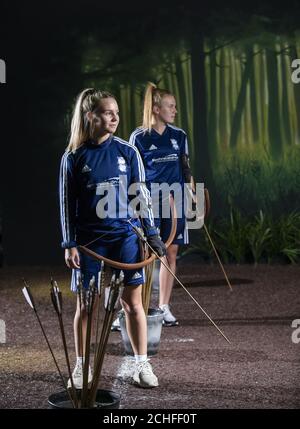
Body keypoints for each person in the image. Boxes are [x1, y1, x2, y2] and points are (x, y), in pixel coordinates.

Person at [59, 88, 166, 389]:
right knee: (87, 305)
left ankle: (141, 363)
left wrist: (153, 234)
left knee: (133, 305)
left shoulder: (127, 152)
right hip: (90, 242)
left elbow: (141, 196)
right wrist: (69, 244)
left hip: (125, 238)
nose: (115, 117)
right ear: (90, 116)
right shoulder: (73, 157)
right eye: (108, 112)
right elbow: (66, 203)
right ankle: (81, 368)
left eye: (116, 112)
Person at [129, 82, 194, 326]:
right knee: (144, 253)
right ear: (156, 109)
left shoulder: (179, 135)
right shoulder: (138, 137)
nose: (175, 110)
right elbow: (133, 174)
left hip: (174, 202)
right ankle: (136, 306)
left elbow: (185, 168)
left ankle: (164, 307)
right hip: (148, 203)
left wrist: (191, 190)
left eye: (175, 106)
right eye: (170, 106)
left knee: (170, 252)